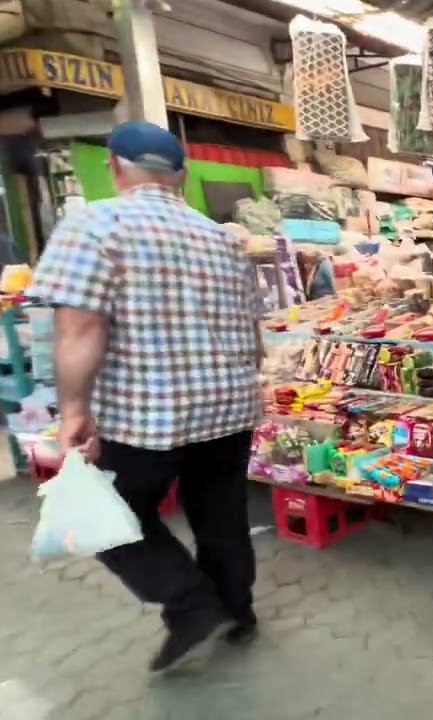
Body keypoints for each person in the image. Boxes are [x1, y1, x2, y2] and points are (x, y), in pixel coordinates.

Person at [29, 121, 263, 672]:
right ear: (181, 175)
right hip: (228, 407)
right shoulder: (223, 238)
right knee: (220, 514)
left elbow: (79, 330)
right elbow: (253, 340)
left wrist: (74, 412)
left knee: (104, 516)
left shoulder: (93, 225)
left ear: (114, 166)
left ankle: (191, 602)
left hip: (146, 415)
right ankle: (238, 610)